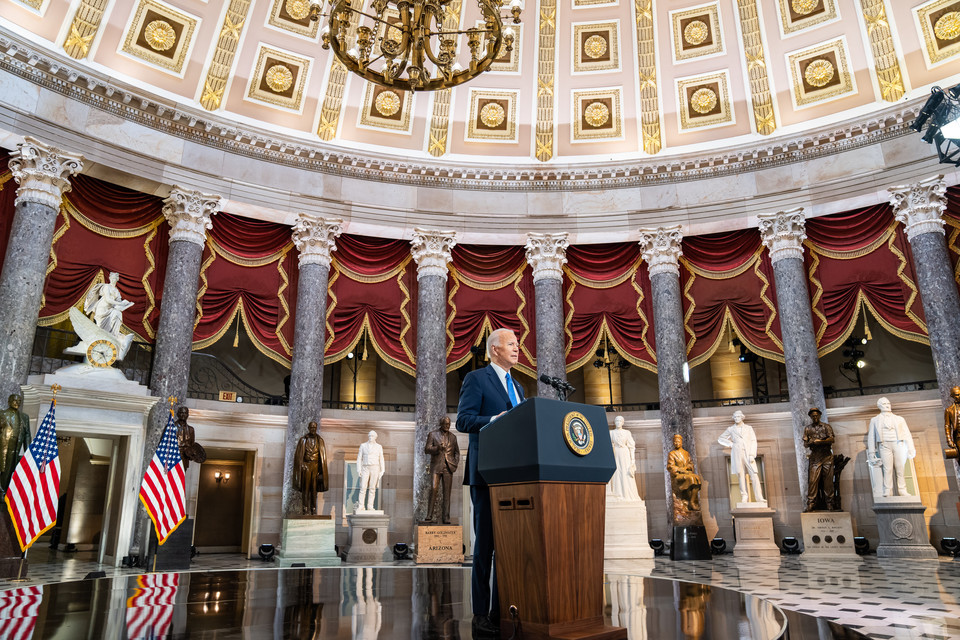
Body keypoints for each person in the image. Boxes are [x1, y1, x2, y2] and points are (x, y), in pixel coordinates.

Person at [456, 327, 524, 636]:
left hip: (514, 474)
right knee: (484, 546)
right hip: (485, 473)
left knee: (507, 547)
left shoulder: (520, 387)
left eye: (517, 344)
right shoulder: (477, 379)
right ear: (494, 349)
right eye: (511, 344)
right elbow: (464, 420)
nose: (516, 348)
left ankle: (500, 610)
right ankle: (481, 613)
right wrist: (492, 421)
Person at [867, 397, 916, 497]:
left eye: (888, 403)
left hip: (899, 444)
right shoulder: (875, 420)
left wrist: (911, 448)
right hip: (884, 445)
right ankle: (887, 490)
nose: (887, 405)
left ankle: (902, 490)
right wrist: (871, 453)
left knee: (900, 468)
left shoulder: (899, 419)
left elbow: (907, 434)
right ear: (879, 406)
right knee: (887, 469)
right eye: (884, 404)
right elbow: (871, 437)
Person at [717, 410, 765, 503]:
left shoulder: (749, 428)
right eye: (734, 417)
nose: (736, 418)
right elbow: (720, 438)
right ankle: (744, 496)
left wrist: (752, 454)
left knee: (754, 474)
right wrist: (731, 444)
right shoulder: (731, 429)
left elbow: (753, 441)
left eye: (738, 417)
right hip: (737, 452)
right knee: (740, 474)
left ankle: (759, 497)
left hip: (748, 453)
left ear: (742, 417)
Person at [424, 415, 460, 524]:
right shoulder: (433, 434)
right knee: (433, 489)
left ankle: (446, 517)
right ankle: (429, 515)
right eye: (445, 424)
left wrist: (455, 462)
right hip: (436, 466)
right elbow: (427, 449)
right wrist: (438, 448)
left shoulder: (453, 437)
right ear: (441, 424)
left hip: (448, 467)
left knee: (447, 493)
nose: (447, 426)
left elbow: (457, 452)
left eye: (449, 424)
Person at [803, 408, 837, 511]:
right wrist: (812, 442)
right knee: (813, 481)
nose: (815, 417)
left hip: (827, 456)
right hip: (815, 457)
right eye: (813, 416)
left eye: (816, 415)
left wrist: (820, 441)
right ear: (810, 417)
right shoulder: (808, 429)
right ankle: (811, 503)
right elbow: (805, 444)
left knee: (828, 481)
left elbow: (832, 439)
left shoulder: (826, 427)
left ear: (820, 415)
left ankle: (830, 503)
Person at [293, 421, 329, 514]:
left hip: (316, 466)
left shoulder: (320, 440)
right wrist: (302, 465)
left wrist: (321, 471)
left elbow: (322, 457)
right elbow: (298, 456)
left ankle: (313, 509)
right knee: (306, 488)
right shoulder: (303, 440)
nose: (313, 429)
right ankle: (305, 508)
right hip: (306, 465)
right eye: (311, 428)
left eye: (315, 428)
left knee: (314, 488)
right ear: (308, 428)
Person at [83, 271, 133, 337]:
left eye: (114, 278)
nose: (113, 280)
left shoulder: (117, 291)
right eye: (112, 278)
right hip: (102, 308)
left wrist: (125, 304)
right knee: (100, 327)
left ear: (117, 279)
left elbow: (118, 302)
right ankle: (101, 336)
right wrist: (120, 304)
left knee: (118, 313)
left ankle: (113, 333)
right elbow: (108, 299)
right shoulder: (107, 287)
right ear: (109, 278)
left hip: (110, 309)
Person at [0, 394, 30, 493]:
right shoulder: (2, 414)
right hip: (3, 447)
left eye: (19, 401)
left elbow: (27, 435)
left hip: (15, 448)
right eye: (15, 401)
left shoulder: (24, 417)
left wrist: (28, 453)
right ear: (9, 401)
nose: (17, 403)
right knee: (3, 468)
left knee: (9, 470)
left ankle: (3, 491)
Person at [667, 434, 702, 515]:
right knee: (691, 479)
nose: (676, 443)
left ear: (681, 442)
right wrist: (681, 470)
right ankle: (692, 503)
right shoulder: (672, 454)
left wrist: (687, 468)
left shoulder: (686, 453)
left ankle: (692, 501)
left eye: (678, 441)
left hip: (687, 473)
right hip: (678, 476)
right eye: (675, 442)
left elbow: (691, 464)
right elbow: (670, 466)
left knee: (697, 478)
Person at [607, 416, 640, 501]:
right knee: (617, 473)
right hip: (615, 453)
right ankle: (618, 494)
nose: (618, 422)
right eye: (617, 421)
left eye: (620, 421)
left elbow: (631, 446)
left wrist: (633, 460)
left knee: (626, 473)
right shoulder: (611, 432)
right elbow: (608, 445)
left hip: (625, 454)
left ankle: (627, 494)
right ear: (615, 422)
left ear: (623, 422)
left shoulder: (627, 433)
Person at [356, 431, 385, 512]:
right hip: (365, 467)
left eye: (372, 436)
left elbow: (381, 458)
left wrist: (382, 470)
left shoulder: (379, 447)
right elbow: (359, 458)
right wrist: (358, 469)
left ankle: (370, 506)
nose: (370, 437)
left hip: (375, 467)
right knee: (363, 487)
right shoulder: (363, 445)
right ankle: (361, 506)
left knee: (372, 488)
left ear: (375, 437)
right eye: (369, 436)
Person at [944, 386, 960, 460]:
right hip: (958, 437)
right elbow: (947, 426)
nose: (959, 396)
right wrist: (949, 440)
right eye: (957, 395)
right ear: (952, 396)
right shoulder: (949, 410)